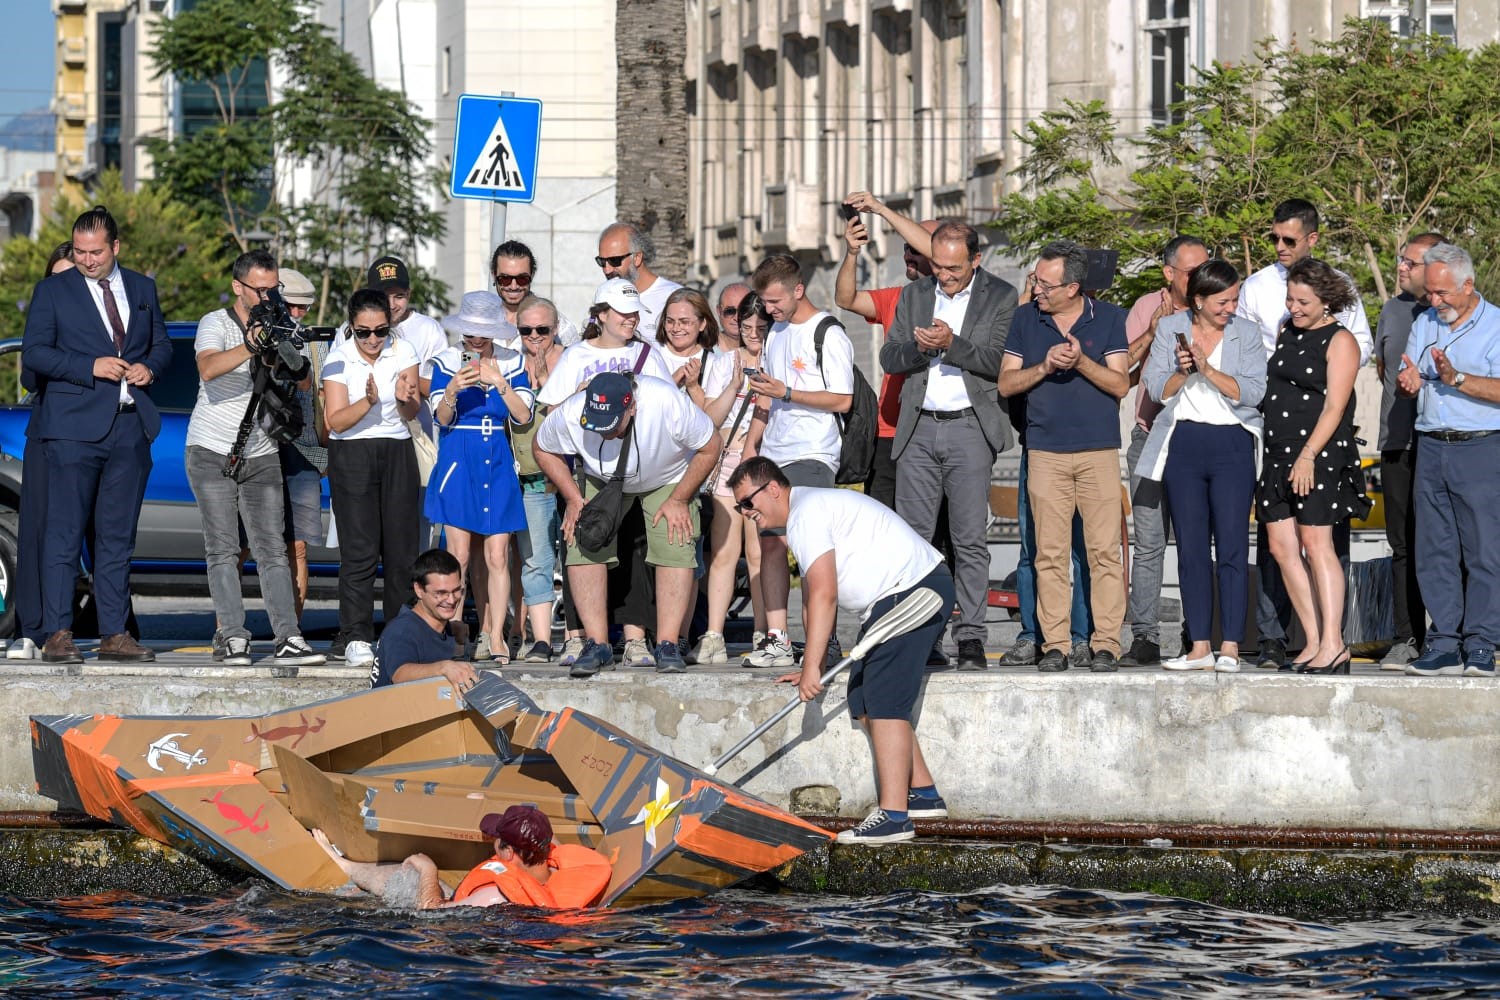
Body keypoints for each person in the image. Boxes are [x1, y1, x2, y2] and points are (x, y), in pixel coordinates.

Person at [728, 457, 956, 844]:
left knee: (885, 700)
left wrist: (812, 667)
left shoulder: (805, 514)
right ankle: (923, 794)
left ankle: (895, 817)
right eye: (739, 507)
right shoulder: (802, 515)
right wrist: (808, 667)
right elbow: (818, 597)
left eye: (747, 503)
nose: (745, 513)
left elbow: (823, 594)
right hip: (892, 598)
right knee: (862, 697)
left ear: (772, 489)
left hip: (914, 590)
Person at [21, 206, 172, 664]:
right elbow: (36, 354)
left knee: (116, 538)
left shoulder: (143, 289)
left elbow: (163, 344)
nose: (87, 260)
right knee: (63, 536)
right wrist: (89, 366)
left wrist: (151, 367)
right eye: (81, 251)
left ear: (116, 247)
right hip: (72, 431)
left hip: (129, 428)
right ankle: (58, 633)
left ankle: (113, 632)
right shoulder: (53, 291)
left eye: (96, 252)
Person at [1236, 199, 1372, 670]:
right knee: (1280, 547)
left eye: (1303, 303)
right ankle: (1313, 639)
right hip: (1277, 450)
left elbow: (1336, 404)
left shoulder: (1341, 340)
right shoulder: (1285, 330)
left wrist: (1310, 454)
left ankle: (1335, 642)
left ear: (1327, 302)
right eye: (1291, 300)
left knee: (1317, 546)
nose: (1293, 308)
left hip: (1317, 453)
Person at [879, 221, 1016, 672]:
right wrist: (921, 350)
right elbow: (889, 356)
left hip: (969, 427)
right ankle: (921, 636)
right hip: (917, 427)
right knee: (915, 542)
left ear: (976, 260)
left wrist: (951, 345)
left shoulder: (1000, 295)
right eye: (937, 265)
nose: (944, 275)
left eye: (954, 268)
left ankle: (972, 637)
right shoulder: (915, 294)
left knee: (969, 539)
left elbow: (998, 363)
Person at [186, 250, 324, 667]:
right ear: (238, 287)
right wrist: (250, 345)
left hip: (262, 452)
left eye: (272, 289)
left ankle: (288, 637)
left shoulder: (281, 322)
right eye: (260, 289)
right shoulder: (215, 322)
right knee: (224, 550)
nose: (267, 297)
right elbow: (208, 369)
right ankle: (232, 636)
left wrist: (286, 345)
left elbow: (303, 384)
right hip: (211, 449)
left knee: (272, 550)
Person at [532, 371, 721, 677]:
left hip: (666, 477)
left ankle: (668, 644)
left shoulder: (666, 401)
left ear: (632, 406)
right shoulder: (571, 411)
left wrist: (680, 499)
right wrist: (572, 498)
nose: (603, 432)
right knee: (581, 540)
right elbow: (541, 447)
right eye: (596, 424)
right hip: (600, 477)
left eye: (611, 425)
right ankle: (597, 644)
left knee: (676, 538)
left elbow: (712, 445)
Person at [998, 240, 1130, 673]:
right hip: (1045, 452)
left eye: (1045, 283)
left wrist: (1081, 362)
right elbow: (1006, 384)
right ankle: (1054, 643)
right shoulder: (1024, 318)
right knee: (1048, 553)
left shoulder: (1109, 318)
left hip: (1099, 452)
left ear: (1073, 287)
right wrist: (1046, 366)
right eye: (1036, 279)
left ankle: (1105, 642)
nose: (1037, 288)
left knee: (1104, 551)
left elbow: (1119, 384)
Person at [534, 278, 675, 669]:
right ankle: (585, 639)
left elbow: (667, 406)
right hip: (590, 470)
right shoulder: (577, 356)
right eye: (623, 313)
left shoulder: (648, 355)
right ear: (601, 315)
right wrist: (576, 394)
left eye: (635, 314)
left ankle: (635, 639)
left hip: (641, 470)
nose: (631, 320)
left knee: (635, 550)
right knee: (586, 546)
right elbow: (550, 417)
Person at [1136, 260, 1265, 672]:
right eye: (1223, 301)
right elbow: (1156, 387)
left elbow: (1254, 391)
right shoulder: (1171, 328)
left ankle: (1230, 646)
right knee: (1190, 548)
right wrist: (1182, 370)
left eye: (1235, 299)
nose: (1232, 307)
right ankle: (1198, 647)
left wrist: (1208, 370)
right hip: (1185, 443)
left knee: (1231, 545)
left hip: (1232, 441)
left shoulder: (1245, 333)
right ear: (1198, 300)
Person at [741, 253, 854, 669]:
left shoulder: (828, 333)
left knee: (809, 547)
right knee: (770, 544)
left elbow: (842, 399)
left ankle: (823, 639)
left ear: (798, 290)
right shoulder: (776, 333)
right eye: (764, 302)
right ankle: (777, 638)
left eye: (774, 302)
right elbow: (765, 396)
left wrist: (787, 391)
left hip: (812, 452)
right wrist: (752, 446)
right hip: (774, 452)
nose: (768, 310)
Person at [1396, 242, 1500, 678]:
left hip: (1480, 446)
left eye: (1443, 294)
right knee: (1433, 551)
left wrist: (1458, 378)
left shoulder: (1496, 325)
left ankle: (1482, 643)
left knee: (1483, 551)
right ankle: (1442, 642)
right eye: (1430, 293)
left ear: (1468, 284)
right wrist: (1409, 381)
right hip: (1431, 445)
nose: (1434, 301)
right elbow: (1417, 375)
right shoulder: (1424, 323)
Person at [1118, 235, 1210, 667]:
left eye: (1206, 267)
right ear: (1169, 273)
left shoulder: (1218, 308)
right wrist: (1154, 332)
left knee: (1196, 541)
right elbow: (1124, 377)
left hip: (1200, 438)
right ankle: (1145, 636)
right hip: (1151, 436)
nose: (1200, 277)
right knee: (1150, 542)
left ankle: (1199, 633)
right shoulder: (1144, 308)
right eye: (1192, 270)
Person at [428, 292, 534, 664]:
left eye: (483, 332)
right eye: (470, 332)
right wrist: (453, 389)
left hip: (497, 457)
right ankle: (454, 635)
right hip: (459, 454)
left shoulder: (512, 361)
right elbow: (440, 419)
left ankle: (496, 636)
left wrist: (498, 382)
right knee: (457, 554)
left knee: (498, 553)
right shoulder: (444, 361)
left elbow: (523, 416)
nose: (476, 339)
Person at [322, 289, 424, 670]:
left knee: (401, 551)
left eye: (380, 331)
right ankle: (356, 635)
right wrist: (366, 401)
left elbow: (411, 410)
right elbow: (335, 421)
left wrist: (404, 398)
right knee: (360, 550)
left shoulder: (404, 351)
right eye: (363, 332)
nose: (372, 340)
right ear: (351, 328)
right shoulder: (338, 358)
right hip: (353, 453)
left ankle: (399, 633)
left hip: (396, 449)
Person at [834, 192, 937, 510]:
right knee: (884, 520)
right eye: (905, 248)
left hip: (933, 431)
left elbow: (935, 249)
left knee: (939, 531)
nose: (909, 254)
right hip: (889, 432)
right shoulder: (897, 297)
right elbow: (846, 298)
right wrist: (851, 253)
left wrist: (879, 208)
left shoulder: (962, 301)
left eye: (915, 249)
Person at [312, 805, 612, 909]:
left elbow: (432, 913)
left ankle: (343, 864)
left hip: (449, 932)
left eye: (496, 841)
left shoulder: (495, 895)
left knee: (421, 876)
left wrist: (428, 869)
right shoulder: (559, 867)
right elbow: (542, 839)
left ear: (508, 852)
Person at [1374, 233, 1445, 669]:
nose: (1401, 268)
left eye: (1410, 263)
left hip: (1442, 443)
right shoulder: (1391, 310)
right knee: (1401, 545)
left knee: (1444, 544)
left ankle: (1453, 633)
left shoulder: (1454, 314)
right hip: (1397, 443)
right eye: (1401, 260)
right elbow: (1385, 371)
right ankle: (1407, 637)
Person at [658, 288, 741, 649]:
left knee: (687, 556)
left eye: (686, 322)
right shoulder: (650, 355)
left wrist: (691, 388)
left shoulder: (717, 363)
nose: (677, 328)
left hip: (692, 474)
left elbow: (710, 423)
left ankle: (679, 635)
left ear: (703, 323)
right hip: (650, 468)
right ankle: (643, 635)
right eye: (671, 321)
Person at [9, 242, 78, 661]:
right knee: (36, 532)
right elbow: (30, 375)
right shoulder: (44, 317)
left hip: (99, 435)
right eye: (56, 278)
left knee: (97, 537)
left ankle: (115, 627)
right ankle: (30, 631)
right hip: (48, 434)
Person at [695, 292, 771, 665]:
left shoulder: (779, 359)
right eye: (746, 328)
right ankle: (714, 635)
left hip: (764, 468)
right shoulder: (725, 362)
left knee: (760, 552)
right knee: (724, 552)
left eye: (761, 327)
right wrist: (734, 384)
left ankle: (763, 632)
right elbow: (709, 417)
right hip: (727, 465)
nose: (754, 335)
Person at [509, 295, 575, 663]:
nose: (534, 337)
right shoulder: (512, 364)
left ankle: (576, 636)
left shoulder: (573, 360)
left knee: (575, 559)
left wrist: (547, 378)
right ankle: (541, 640)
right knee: (535, 560)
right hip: (531, 479)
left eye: (542, 329)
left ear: (555, 328)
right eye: (526, 330)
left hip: (571, 477)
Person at [274, 266, 328, 624]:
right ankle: (226, 630)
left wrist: (328, 452)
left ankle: (292, 629)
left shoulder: (317, 343)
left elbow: (320, 396)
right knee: (243, 544)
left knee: (298, 546)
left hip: (304, 451)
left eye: (303, 308)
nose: (296, 315)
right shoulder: (255, 335)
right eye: (290, 306)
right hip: (260, 448)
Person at [368, 548, 479, 688]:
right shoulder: (402, 630)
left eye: (457, 591)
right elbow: (400, 674)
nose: (451, 600)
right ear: (419, 590)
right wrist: (444, 668)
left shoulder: (444, 627)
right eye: (440, 593)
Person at [596, 222, 683, 340]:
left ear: (637, 258)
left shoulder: (674, 297)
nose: (607, 270)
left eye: (614, 260)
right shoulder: (605, 295)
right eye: (601, 261)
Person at [490, 239, 580, 345]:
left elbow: (576, 359)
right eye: (505, 279)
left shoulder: (559, 326)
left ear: (532, 275)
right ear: (493, 275)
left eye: (522, 279)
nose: (513, 286)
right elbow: (466, 357)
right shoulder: (478, 319)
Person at [714, 282, 750, 354]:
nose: (737, 318)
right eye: (730, 311)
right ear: (719, 311)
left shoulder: (765, 347)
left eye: (743, 310)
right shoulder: (704, 351)